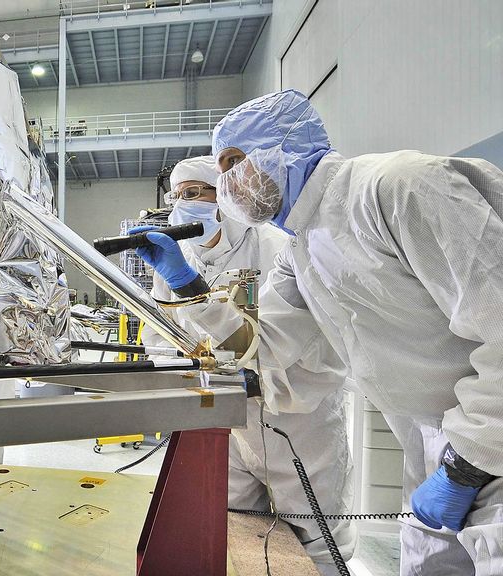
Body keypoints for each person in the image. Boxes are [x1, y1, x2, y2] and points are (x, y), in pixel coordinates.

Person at [198, 88, 502, 574]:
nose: (226, 184)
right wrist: (186, 284)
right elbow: (263, 343)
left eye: (233, 162)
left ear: (283, 148)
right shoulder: (301, 250)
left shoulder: (398, 188)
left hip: (489, 437)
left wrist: (467, 465)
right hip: (433, 446)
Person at [137, 155, 355, 575]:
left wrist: (194, 295)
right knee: (234, 521)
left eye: (194, 193)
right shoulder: (176, 257)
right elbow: (157, 332)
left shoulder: (273, 245)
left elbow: (269, 343)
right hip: (225, 414)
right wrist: (180, 380)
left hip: (295, 412)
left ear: (226, 195)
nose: (184, 205)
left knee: (316, 533)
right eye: (177, 196)